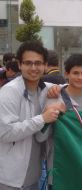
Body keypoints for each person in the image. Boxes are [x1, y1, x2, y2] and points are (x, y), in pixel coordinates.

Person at [0, 41, 64, 190]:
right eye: (28, 63)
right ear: (20, 65)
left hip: (34, 177)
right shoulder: (9, 92)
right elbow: (5, 132)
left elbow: (70, 90)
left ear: (45, 65)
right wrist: (42, 119)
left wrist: (60, 95)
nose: (34, 68)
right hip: (9, 180)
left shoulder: (47, 89)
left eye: (38, 63)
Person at [36, 53, 82, 190]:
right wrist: (50, 116)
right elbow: (40, 136)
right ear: (67, 74)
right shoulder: (55, 97)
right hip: (59, 166)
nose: (80, 77)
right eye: (75, 73)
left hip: (81, 163)